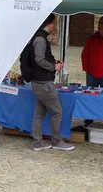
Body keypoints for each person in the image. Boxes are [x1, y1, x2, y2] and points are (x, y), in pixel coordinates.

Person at [31, 13, 74, 151]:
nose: (55, 26)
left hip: (39, 82)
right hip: (44, 83)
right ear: (49, 24)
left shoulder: (39, 37)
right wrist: (53, 67)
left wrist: (52, 62)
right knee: (57, 111)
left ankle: (38, 143)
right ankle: (56, 141)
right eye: (54, 23)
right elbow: (39, 60)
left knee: (39, 112)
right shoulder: (40, 39)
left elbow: (42, 58)